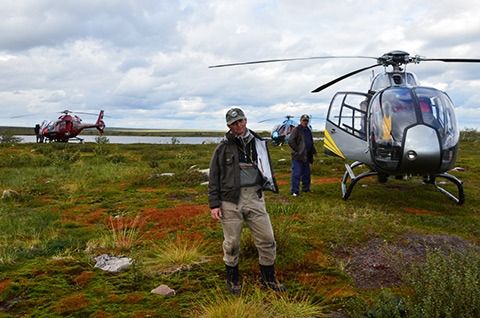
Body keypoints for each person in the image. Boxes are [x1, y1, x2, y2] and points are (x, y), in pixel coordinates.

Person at [208, 107, 285, 295]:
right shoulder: (222, 148)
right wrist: (214, 204)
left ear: (246, 120)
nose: (238, 125)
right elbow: (214, 177)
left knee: (267, 239)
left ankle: (269, 280)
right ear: (228, 126)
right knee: (232, 243)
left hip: (255, 198)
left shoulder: (259, 143)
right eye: (234, 123)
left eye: (241, 121)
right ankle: (232, 280)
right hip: (230, 201)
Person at [288, 114, 317, 196]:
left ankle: (306, 189)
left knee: (306, 174)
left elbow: (310, 141)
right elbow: (290, 141)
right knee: (296, 173)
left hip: (307, 156)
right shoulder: (296, 130)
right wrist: (298, 150)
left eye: (306, 120)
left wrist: (313, 150)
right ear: (300, 121)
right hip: (298, 156)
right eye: (304, 120)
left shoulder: (308, 130)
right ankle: (294, 191)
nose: (305, 122)